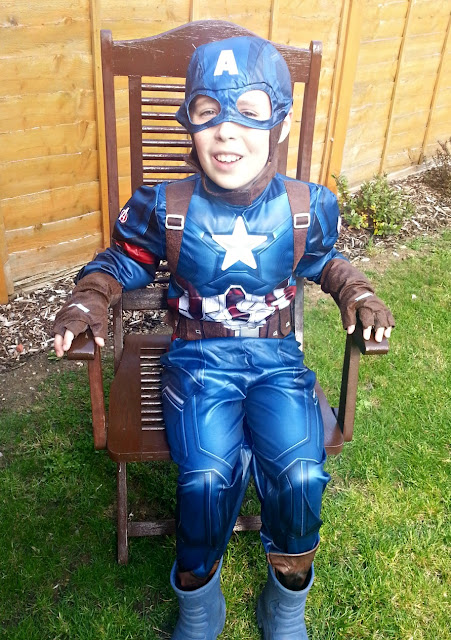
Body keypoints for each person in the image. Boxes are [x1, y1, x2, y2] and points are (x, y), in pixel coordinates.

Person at [53, 36, 394, 640]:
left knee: (299, 474)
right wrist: (92, 296)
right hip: (198, 359)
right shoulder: (168, 206)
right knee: (207, 477)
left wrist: (358, 294)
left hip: (275, 360)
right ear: (190, 124)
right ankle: (197, 597)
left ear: (279, 125)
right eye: (209, 114)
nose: (228, 133)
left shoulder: (303, 207)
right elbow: (124, 257)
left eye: (251, 113)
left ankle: (287, 596)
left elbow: (328, 262)